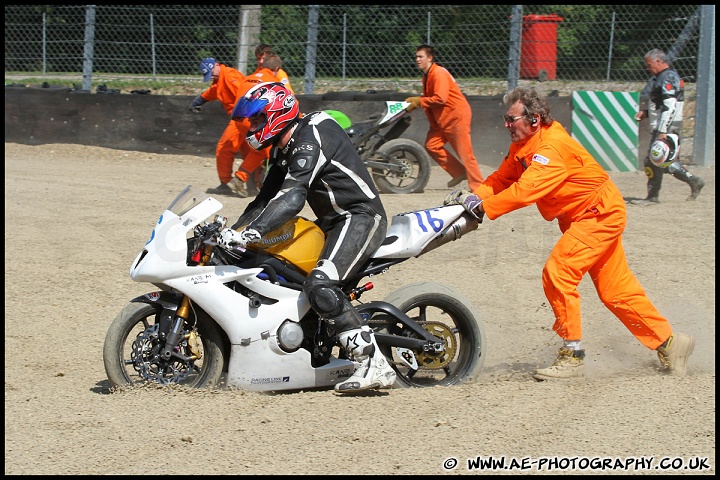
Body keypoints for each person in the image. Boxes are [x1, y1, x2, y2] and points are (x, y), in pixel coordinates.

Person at [444, 86, 695, 380]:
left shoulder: (551, 147)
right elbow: (503, 178)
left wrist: (482, 207)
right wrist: (473, 196)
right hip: (592, 215)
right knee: (616, 291)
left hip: (598, 215)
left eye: (512, 119)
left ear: (534, 118)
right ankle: (671, 343)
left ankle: (572, 354)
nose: (506, 125)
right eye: (506, 118)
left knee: (559, 272)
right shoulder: (525, 143)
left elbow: (526, 191)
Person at [217, 82, 397, 393]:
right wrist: (232, 235)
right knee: (277, 269)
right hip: (331, 223)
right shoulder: (283, 147)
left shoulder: (310, 134)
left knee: (320, 284)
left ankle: (374, 363)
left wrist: (254, 232)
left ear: (277, 113)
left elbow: (292, 197)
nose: (252, 127)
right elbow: (263, 200)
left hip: (360, 217)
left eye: (258, 119)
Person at [189, 56, 281, 198]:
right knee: (242, 149)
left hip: (244, 116)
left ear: (217, 65)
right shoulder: (220, 80)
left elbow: (247, 93)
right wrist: (200, 100)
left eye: (211, 71)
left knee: (252, 150)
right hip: (244, 117)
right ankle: (230, 182)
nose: (212, 75)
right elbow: (214, 91)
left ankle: (249, 182)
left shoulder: (230, 76)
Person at [405, 44, 484, 191]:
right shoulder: (427, 75)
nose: (417, 59)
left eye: (420, 56)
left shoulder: (438, 73)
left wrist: (418, 101)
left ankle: (479, 187)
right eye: (416, 57)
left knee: (465, 154)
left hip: (455, 117)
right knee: (432, 145)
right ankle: (459, 172)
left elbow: (440, 98)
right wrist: (418, 103)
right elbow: (433, 100)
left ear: (430, 58)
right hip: (442, 120)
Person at [633, 48, 704, 204]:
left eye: (649, 64)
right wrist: (646, 113)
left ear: (659, 61)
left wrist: (663, 130)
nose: (647, 68)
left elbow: (670, 105)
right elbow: (662, 104)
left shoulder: (668, 77)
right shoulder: (663, 77)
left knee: (654, 161)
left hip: (666, 128)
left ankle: (652, 197)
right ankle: (694, 181)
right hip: (665, 126)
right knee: (662, 162)